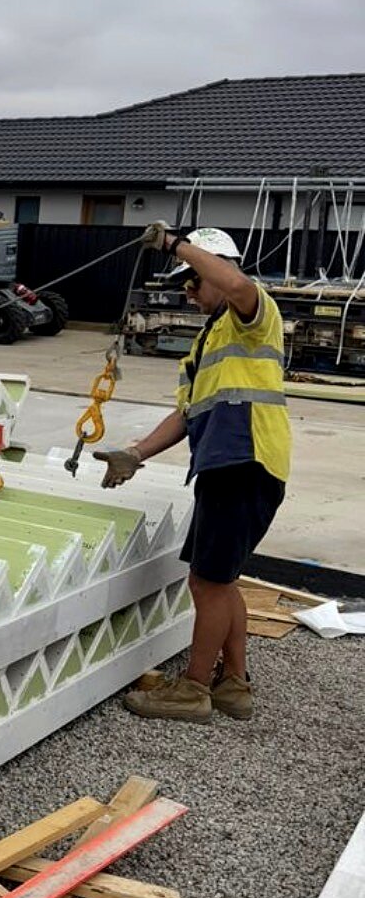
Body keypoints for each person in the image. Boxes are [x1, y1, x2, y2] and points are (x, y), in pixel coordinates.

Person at [93, 223, 291, 724]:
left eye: (193, 280)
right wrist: (136, 454)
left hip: (244, 461)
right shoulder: (205, 345)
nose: (188, 291)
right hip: (228, 465)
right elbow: (186, 416)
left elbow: (239, 287)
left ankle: (194, 689)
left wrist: (175, 245)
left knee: (207, 583)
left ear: (216, 271)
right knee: (222, 581)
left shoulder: (252, 315)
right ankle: (233, 685)